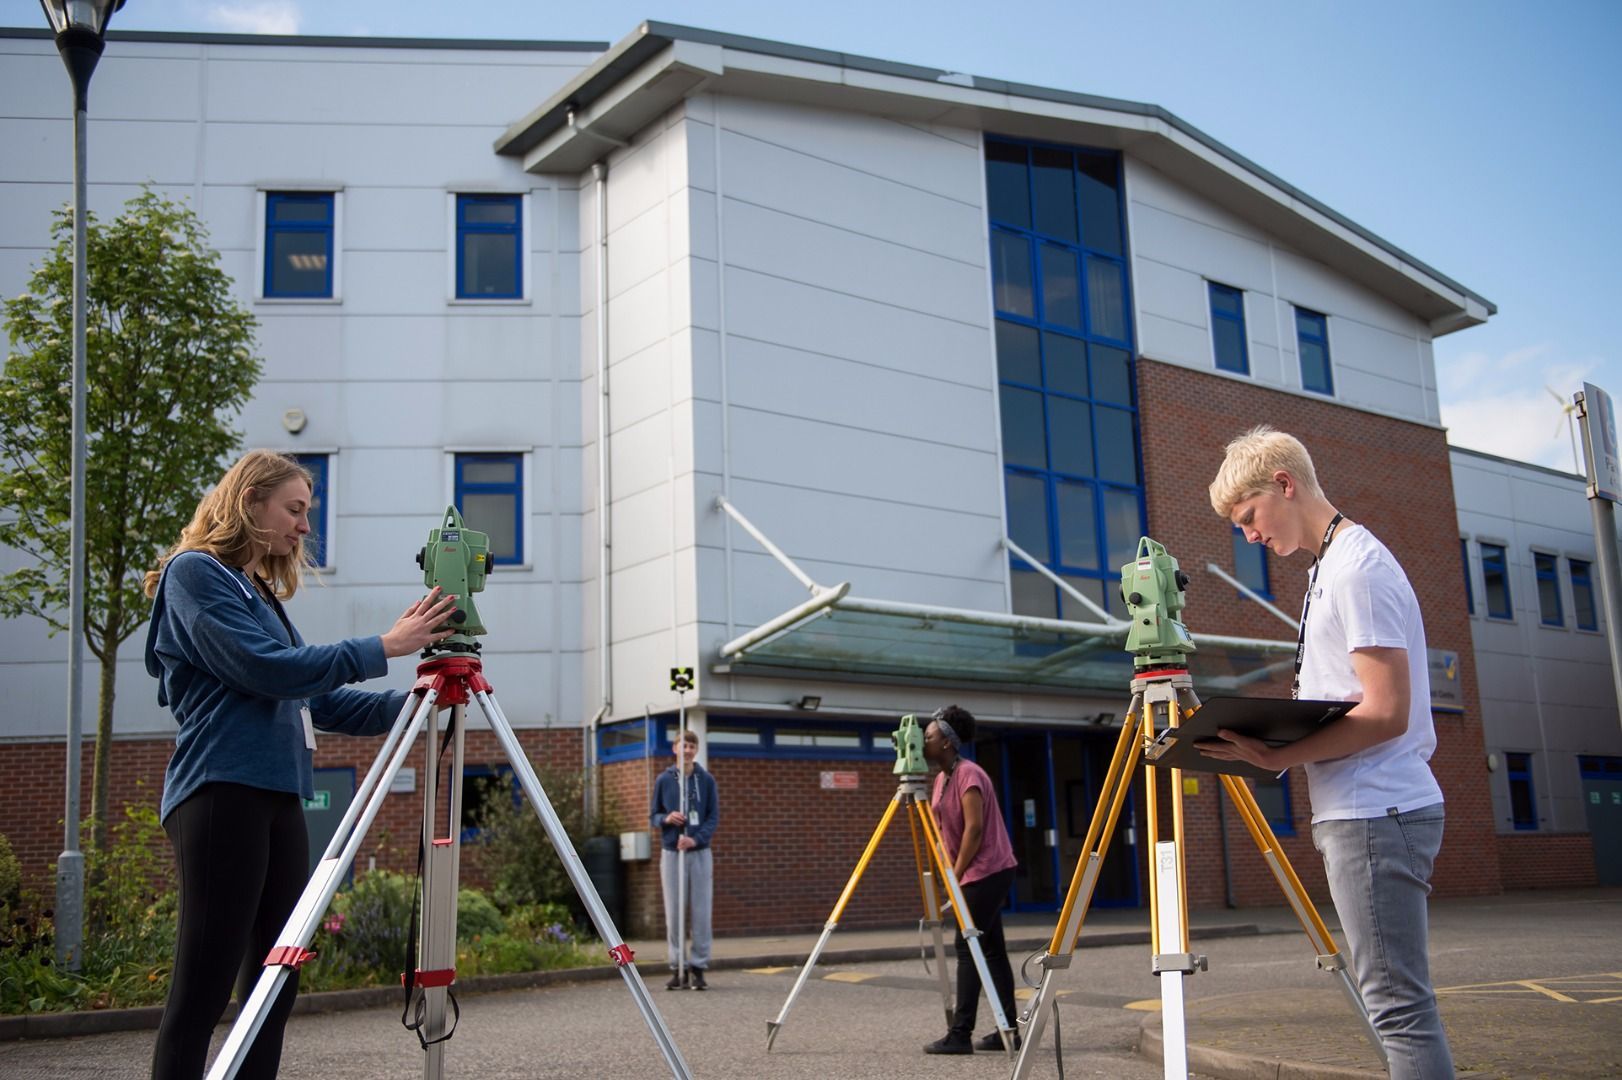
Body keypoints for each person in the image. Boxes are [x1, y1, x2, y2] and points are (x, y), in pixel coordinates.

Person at [144, 449, 459, 1080]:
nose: (304, 526)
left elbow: (316, 697)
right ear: (249, 503)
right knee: (202, 992)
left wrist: (420, 703)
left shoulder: (256, 593)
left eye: (307, 511)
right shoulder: (195, 574)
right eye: (294, 509)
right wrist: (383, 646)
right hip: (220, 790)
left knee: (274, 984)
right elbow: (265, 668)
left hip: (279, 795)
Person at [1200, 426, 1455, 1079]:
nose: (1248, 535)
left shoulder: (1358, 570)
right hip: (1367, 812)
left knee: (1398, 1013)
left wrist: (1279, 757)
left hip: (1377, 813)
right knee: (1395, 1009)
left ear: (1285, 484)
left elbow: (1387, 711)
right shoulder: (1332, 566)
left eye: (1250, 516)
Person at [922, 705, 1019, 1055]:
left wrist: (956, 874)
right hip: (972, 870)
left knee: (968, 945)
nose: (924, 742)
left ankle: (960, 1033)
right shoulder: (940, 778)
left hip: (989, 869)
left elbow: (974, 828)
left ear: (947, 742)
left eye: (929, 737)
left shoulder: (968, 774)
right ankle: (1008, 1028)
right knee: (992, 949)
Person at [650, 727, 718, 991]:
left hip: (699, 853)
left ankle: (699, 966)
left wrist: (696, 839)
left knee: (701, 911)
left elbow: (713, 817)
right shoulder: (664, 780)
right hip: (672, 853)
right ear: (675, 749)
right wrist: (666, 819)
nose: (687, 750)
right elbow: (653, 815)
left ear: (696, 750)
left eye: (692, 746)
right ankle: (677, 967)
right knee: (674, 912)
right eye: (683, 745)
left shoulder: (707, 780)